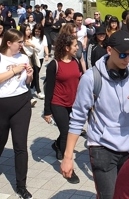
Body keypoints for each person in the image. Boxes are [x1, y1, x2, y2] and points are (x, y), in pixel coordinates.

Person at [60, 31, 129, 199]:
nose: (127, 59)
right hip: (102, 148)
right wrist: (68, 157)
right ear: (110, 50)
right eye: (123, 55)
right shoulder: (91, 78)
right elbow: (77, 118)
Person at [0, 29, 34, 199]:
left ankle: (21, 186)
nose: (22, 45)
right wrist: (13, 71)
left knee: (20, 146)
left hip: (21, 103)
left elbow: (26, 83)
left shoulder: (23, 57)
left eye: (23, 42)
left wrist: (29, 76)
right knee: (0, 141)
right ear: (9, 43)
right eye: (19, 42)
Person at [44, 33, 83, 184]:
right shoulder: (55, 64)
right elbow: (49, 89)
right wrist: (47, 111)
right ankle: (68, 168)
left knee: (70, 131)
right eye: (75, 45)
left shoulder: (75, 61)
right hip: (58, 103)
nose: (77, 48)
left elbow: (79, 82)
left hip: (73, 104)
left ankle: (56, 145)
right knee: (67, 132)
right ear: (67, 48)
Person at [20, 24, 41, 107]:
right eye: (26, 30)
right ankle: (30, 97)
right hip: (25, 60)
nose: (28, 31)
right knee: (26, 78)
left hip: (32, 59)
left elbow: (39, 49)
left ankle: (36, 92)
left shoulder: (32, 39)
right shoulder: (20, 40)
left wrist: (31, 45)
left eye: (29, 29)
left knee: (35, 75)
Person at [31, 24, 49, 99]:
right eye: (36, 31)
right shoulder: (31, 37)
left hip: (41, 57)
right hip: (34, 57)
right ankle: (38, 91)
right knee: (36, 75)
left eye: (38, 31)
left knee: (36, 73)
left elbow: (45, 46)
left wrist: (47, 54)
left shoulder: (43, 37)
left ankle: (32, 87)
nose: (37, 33)